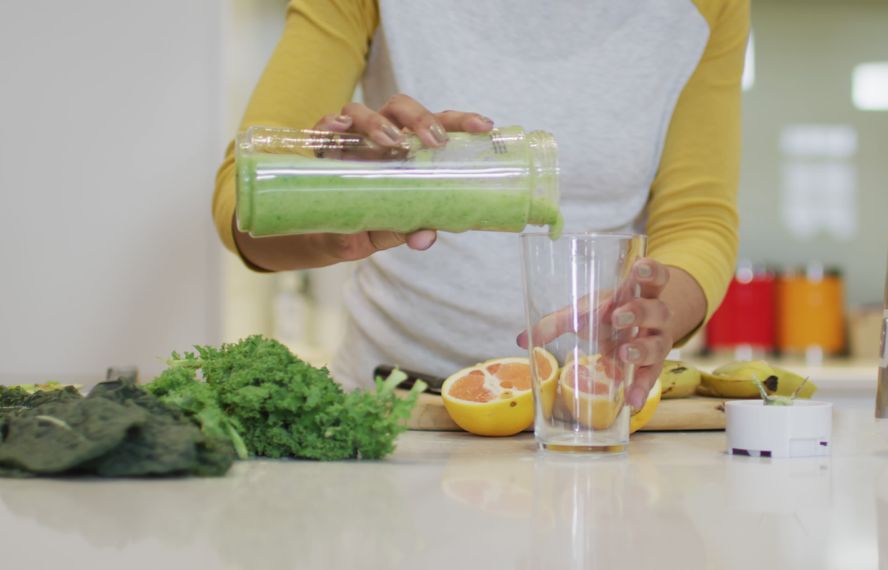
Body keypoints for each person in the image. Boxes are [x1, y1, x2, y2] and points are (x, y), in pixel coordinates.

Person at [213, 0, 747, 410]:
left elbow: (698, 218)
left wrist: (655, 313)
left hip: (586, 412)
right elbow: (243, 203)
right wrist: (344, 213)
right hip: (395, 410)